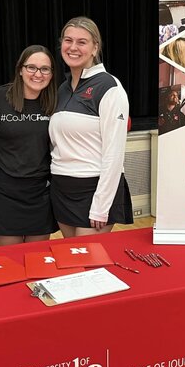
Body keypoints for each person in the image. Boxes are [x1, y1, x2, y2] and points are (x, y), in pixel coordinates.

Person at [49, 16, 133, 237]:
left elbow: (114, 153)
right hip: (62, 189)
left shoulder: (110, 87)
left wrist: (101, 206)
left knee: (87, 263)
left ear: (95, 47)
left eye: (81, 42)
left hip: (94, 191)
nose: (73, 47)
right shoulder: (62, 89)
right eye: (68, 40)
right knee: (72, 261)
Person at [0, 45, 59, 246]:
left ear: (51, 74)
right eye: (31, 67)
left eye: (45, 69)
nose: (37, 74)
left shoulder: (57, 102)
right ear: (20, 69)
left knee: (37, 259)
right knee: (10, 261)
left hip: (40, 192)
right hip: (4, 191)